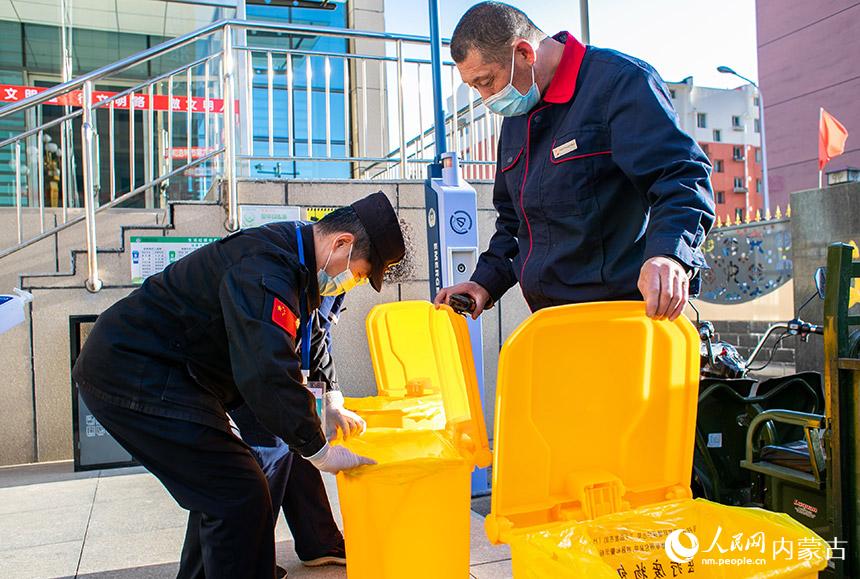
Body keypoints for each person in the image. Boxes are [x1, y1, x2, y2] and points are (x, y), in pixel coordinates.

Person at [72, 191, 409, 579]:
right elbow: (266, 370)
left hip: (171, 372)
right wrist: (319, 451)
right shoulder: (267, 269)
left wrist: (330, 398)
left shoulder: (294, 258)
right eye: (361, 272)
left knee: (221, 488)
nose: (353, 281)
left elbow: (308, 339)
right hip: (134, 370)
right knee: (236, 490)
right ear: (342, 244)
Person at [434, 2, 715, 320]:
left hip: (630, 317)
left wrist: (669, 255)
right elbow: (515, 225)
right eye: (475, 88)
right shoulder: (517, 116)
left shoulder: (619, 84)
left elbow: (681, 176)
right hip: (553, 322)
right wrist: (483, 283)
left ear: (525, 53)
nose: (486, 98)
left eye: (487, 82)